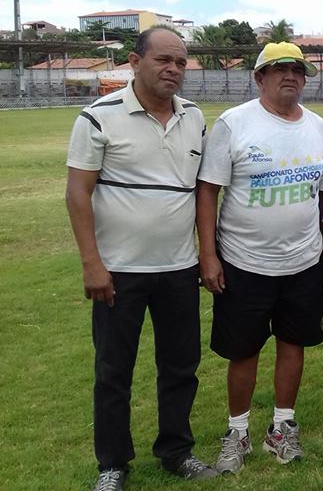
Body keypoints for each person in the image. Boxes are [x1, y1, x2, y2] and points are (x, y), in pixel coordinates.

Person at [65, 26, 217, 491]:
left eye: (181, 62)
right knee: (113, 372)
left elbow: (198, 193)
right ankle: (113, 465)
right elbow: (78, 192)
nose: (173, 69)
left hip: (178, 268)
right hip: (118, 272)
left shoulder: (194, 118)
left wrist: (205, 256)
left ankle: (176, 451)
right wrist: (93, 263)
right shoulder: (98, 117)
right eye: (163, 60)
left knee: (180, 366)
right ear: (135, 61)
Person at [196, 42, 323, 473]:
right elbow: (208, 192)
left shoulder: (318, 127)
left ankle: (282, 428)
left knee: (294, 343)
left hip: (303, 261)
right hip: (244, 261)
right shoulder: (234, 125)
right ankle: (237, 433)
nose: (290, 76)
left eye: (297, 70)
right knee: (244, 350)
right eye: (279, 70)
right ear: (259, 78)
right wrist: (208, 255)